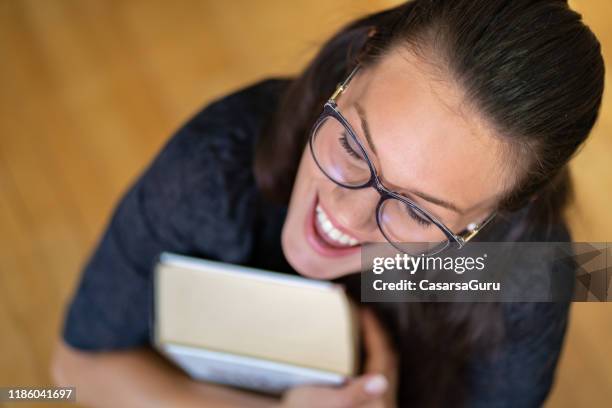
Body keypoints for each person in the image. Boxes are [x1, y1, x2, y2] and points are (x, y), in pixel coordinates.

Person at [51, 0, 604, 407]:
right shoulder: (217, 158)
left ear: (493, 216)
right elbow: (72, 367)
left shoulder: (537, 267)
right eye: (352, 145)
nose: (344, 215)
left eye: (417, 211)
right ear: (356, 65)